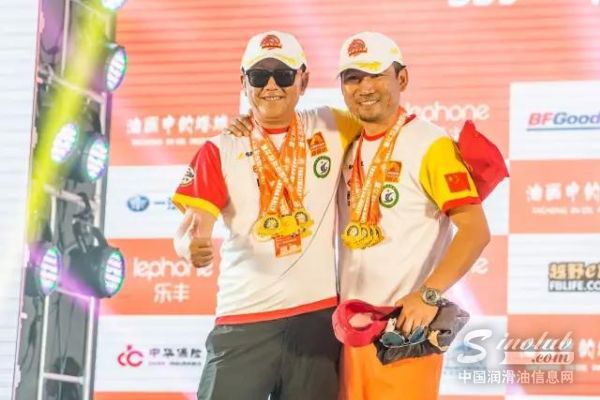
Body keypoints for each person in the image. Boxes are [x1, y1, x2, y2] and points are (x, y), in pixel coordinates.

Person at [172, 31, 361, 400]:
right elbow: (192, 229)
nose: (271, 86)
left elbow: (385, 125)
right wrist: (189, 247)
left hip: (316, 321)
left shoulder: (334, 125)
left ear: (303, 80)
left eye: (283, 75)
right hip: (244, 320)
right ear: (244, 82)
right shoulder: (220, 148)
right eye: (259, 76)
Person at [335, 32, 491, 400]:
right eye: (353, 77)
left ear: (401, 78)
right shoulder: (346, 141)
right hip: (348, 329)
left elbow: (475, 230)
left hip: (403, 331)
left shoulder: (430, 143)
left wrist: (429, 294)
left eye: (376, 75)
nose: (365, 87)